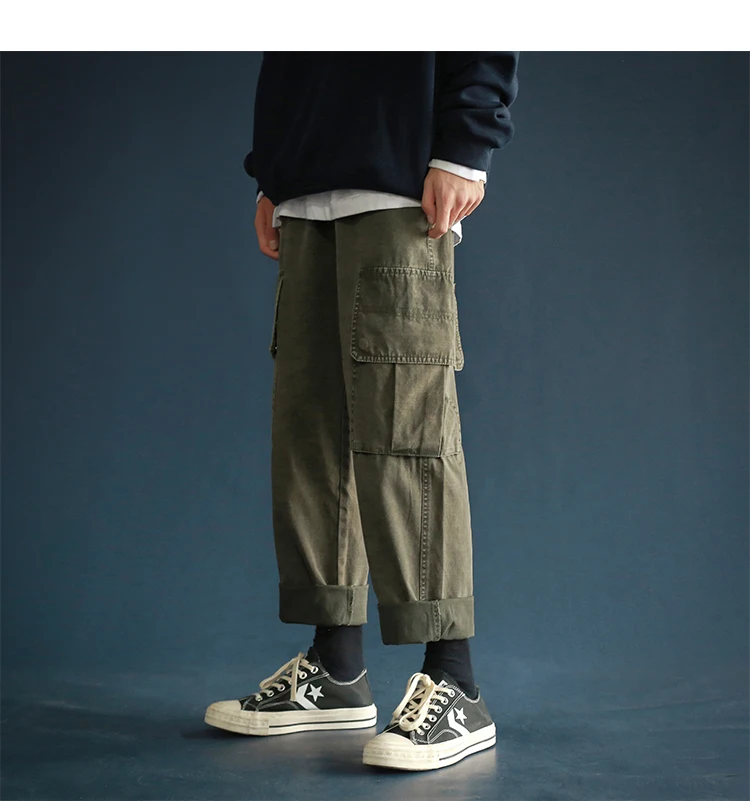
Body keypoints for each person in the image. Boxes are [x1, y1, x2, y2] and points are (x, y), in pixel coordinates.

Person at [205, 50, 520, 772]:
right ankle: (336, 668)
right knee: (310, 430)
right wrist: (273, 172)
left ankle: (456, 682)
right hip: (305, 183)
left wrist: (465, 146)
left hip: (399, 176)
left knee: (406, 431)